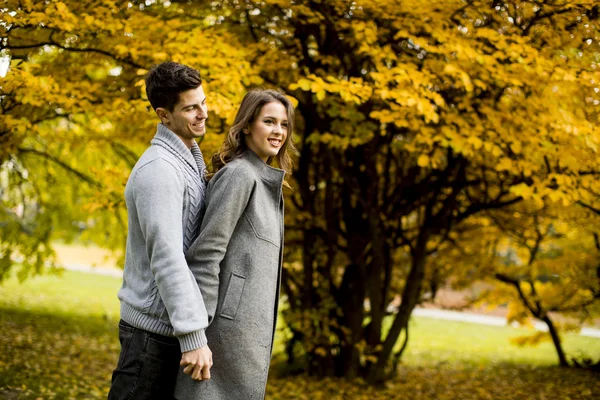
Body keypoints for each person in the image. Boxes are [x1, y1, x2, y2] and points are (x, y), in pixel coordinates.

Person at [174, 89, 296, 400]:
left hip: (244, 336)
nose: (278, 132)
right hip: (222, 338)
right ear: (246, 126)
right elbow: (205, 256)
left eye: (284, 124)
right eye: (269, 121)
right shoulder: (240, 175)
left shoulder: (265, 179)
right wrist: (196, 335)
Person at [108, 61, 213, 400]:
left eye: (203, 103)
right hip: (149, 337)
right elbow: (167, 257)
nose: (202, 113)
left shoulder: (188, 162)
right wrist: (194, 335)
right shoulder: (160, 171)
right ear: (164, 114)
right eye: (190, 108)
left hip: (166, 332)